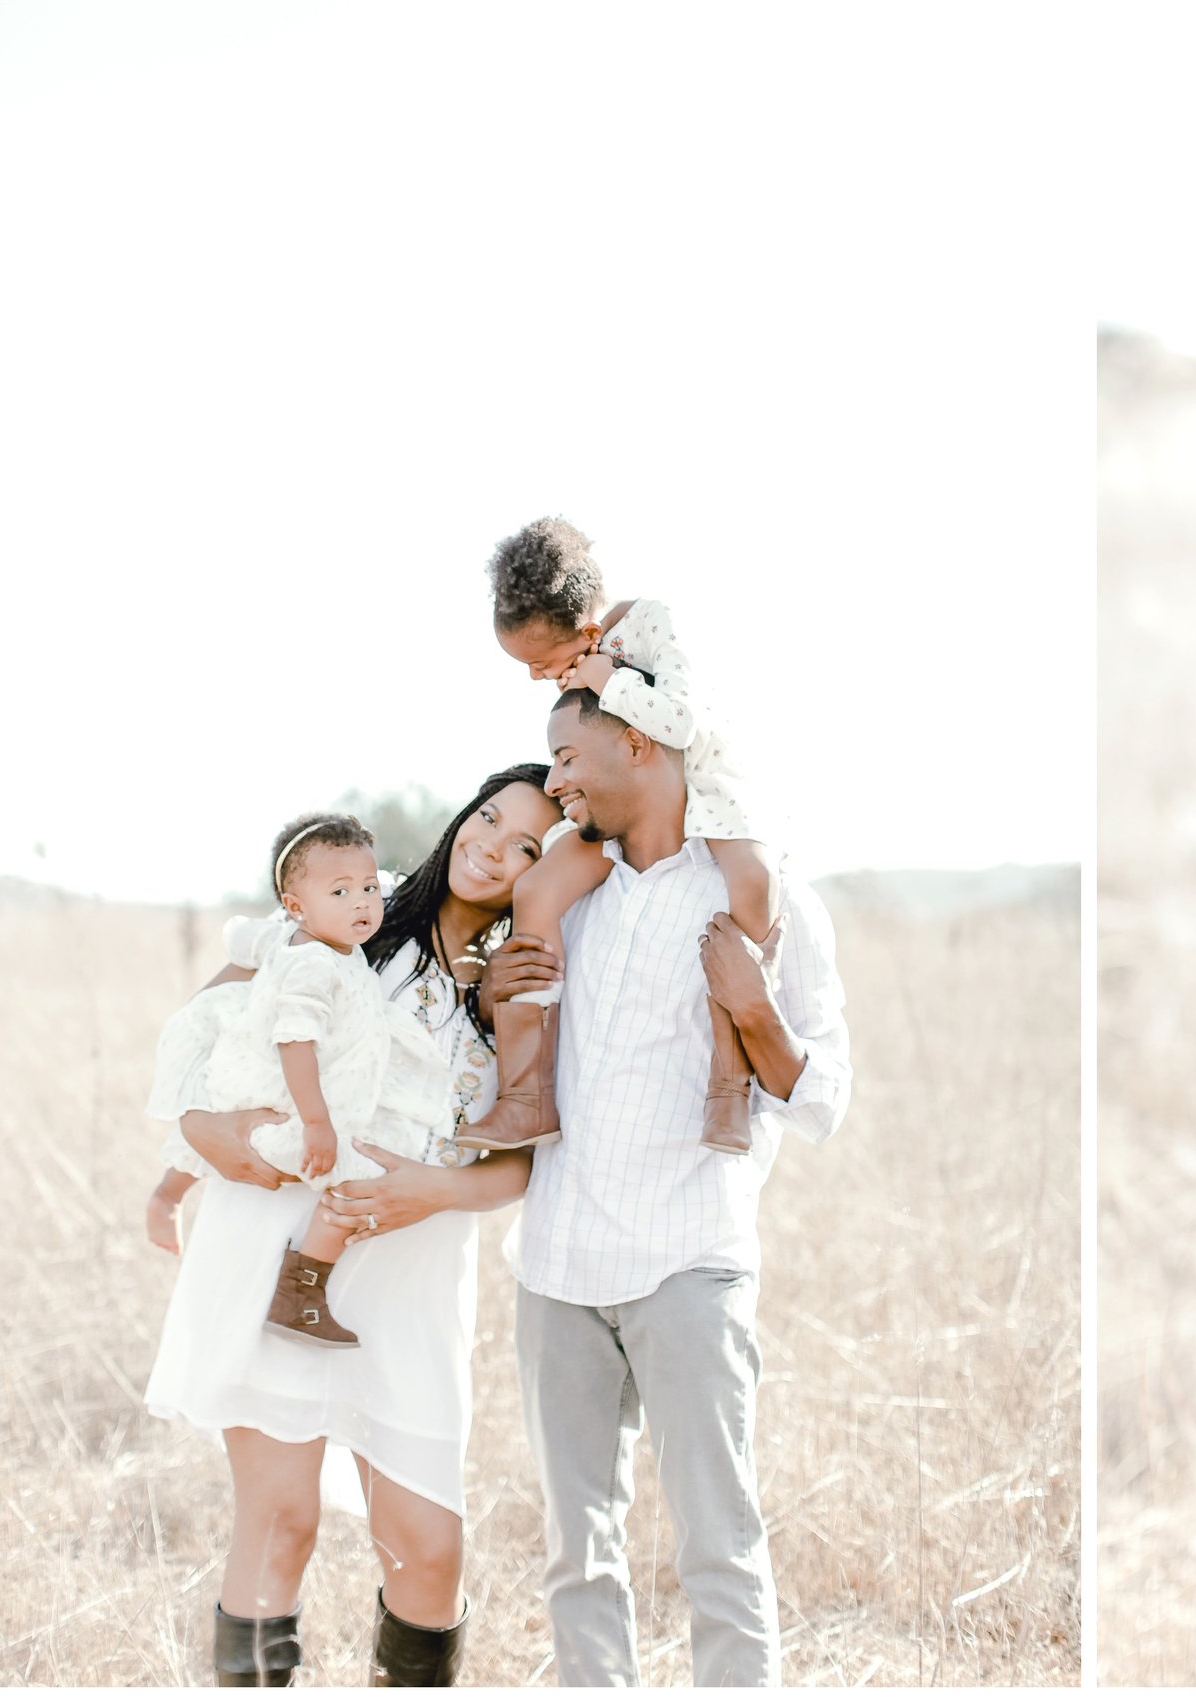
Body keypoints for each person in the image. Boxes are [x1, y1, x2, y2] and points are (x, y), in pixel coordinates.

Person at [142, 766, 568, 1686]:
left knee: (429, 1554)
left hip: (413, 1287)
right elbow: (202, 1028)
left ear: (551, 869)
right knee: (282, 1519)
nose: (494, 844)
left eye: (527, 843)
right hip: (279, 1253)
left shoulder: (521, 983)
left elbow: (526, 1162)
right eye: (489, 816)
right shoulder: (350, 922)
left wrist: (434, 1192)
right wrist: (200, 1129)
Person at [516, 685, 850, 1687]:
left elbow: (825, 1094)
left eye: (568, 753)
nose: (555, 779)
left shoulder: (765, 893)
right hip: (556, 1269)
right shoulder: (572, 898)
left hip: (687, 1267)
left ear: (637, 741)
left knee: (718, 1547)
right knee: (578, 1558)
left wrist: (754, 1009)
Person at [476, 515, 782, 1158]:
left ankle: (730, 1080)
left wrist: (603, 679)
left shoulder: (649, 623)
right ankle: (526, 1094)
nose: (538, 677)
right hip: (626, 805)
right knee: (536, 890)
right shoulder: (583, 663)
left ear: (587, 631)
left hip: (707, 788)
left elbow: (681, 720)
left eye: (541, 663)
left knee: (753, 883)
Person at [154, 813, 455, 1349]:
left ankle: (169, 1194)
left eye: (368, 887)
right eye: (339, 891)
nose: (361, 902)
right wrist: (317, 1122)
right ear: (295, 907)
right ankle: (301, 1292)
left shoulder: (319, 945)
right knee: (355, 1177)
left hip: (272, 1085)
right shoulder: (314, 963)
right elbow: (296, 1040)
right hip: (288, 1096)